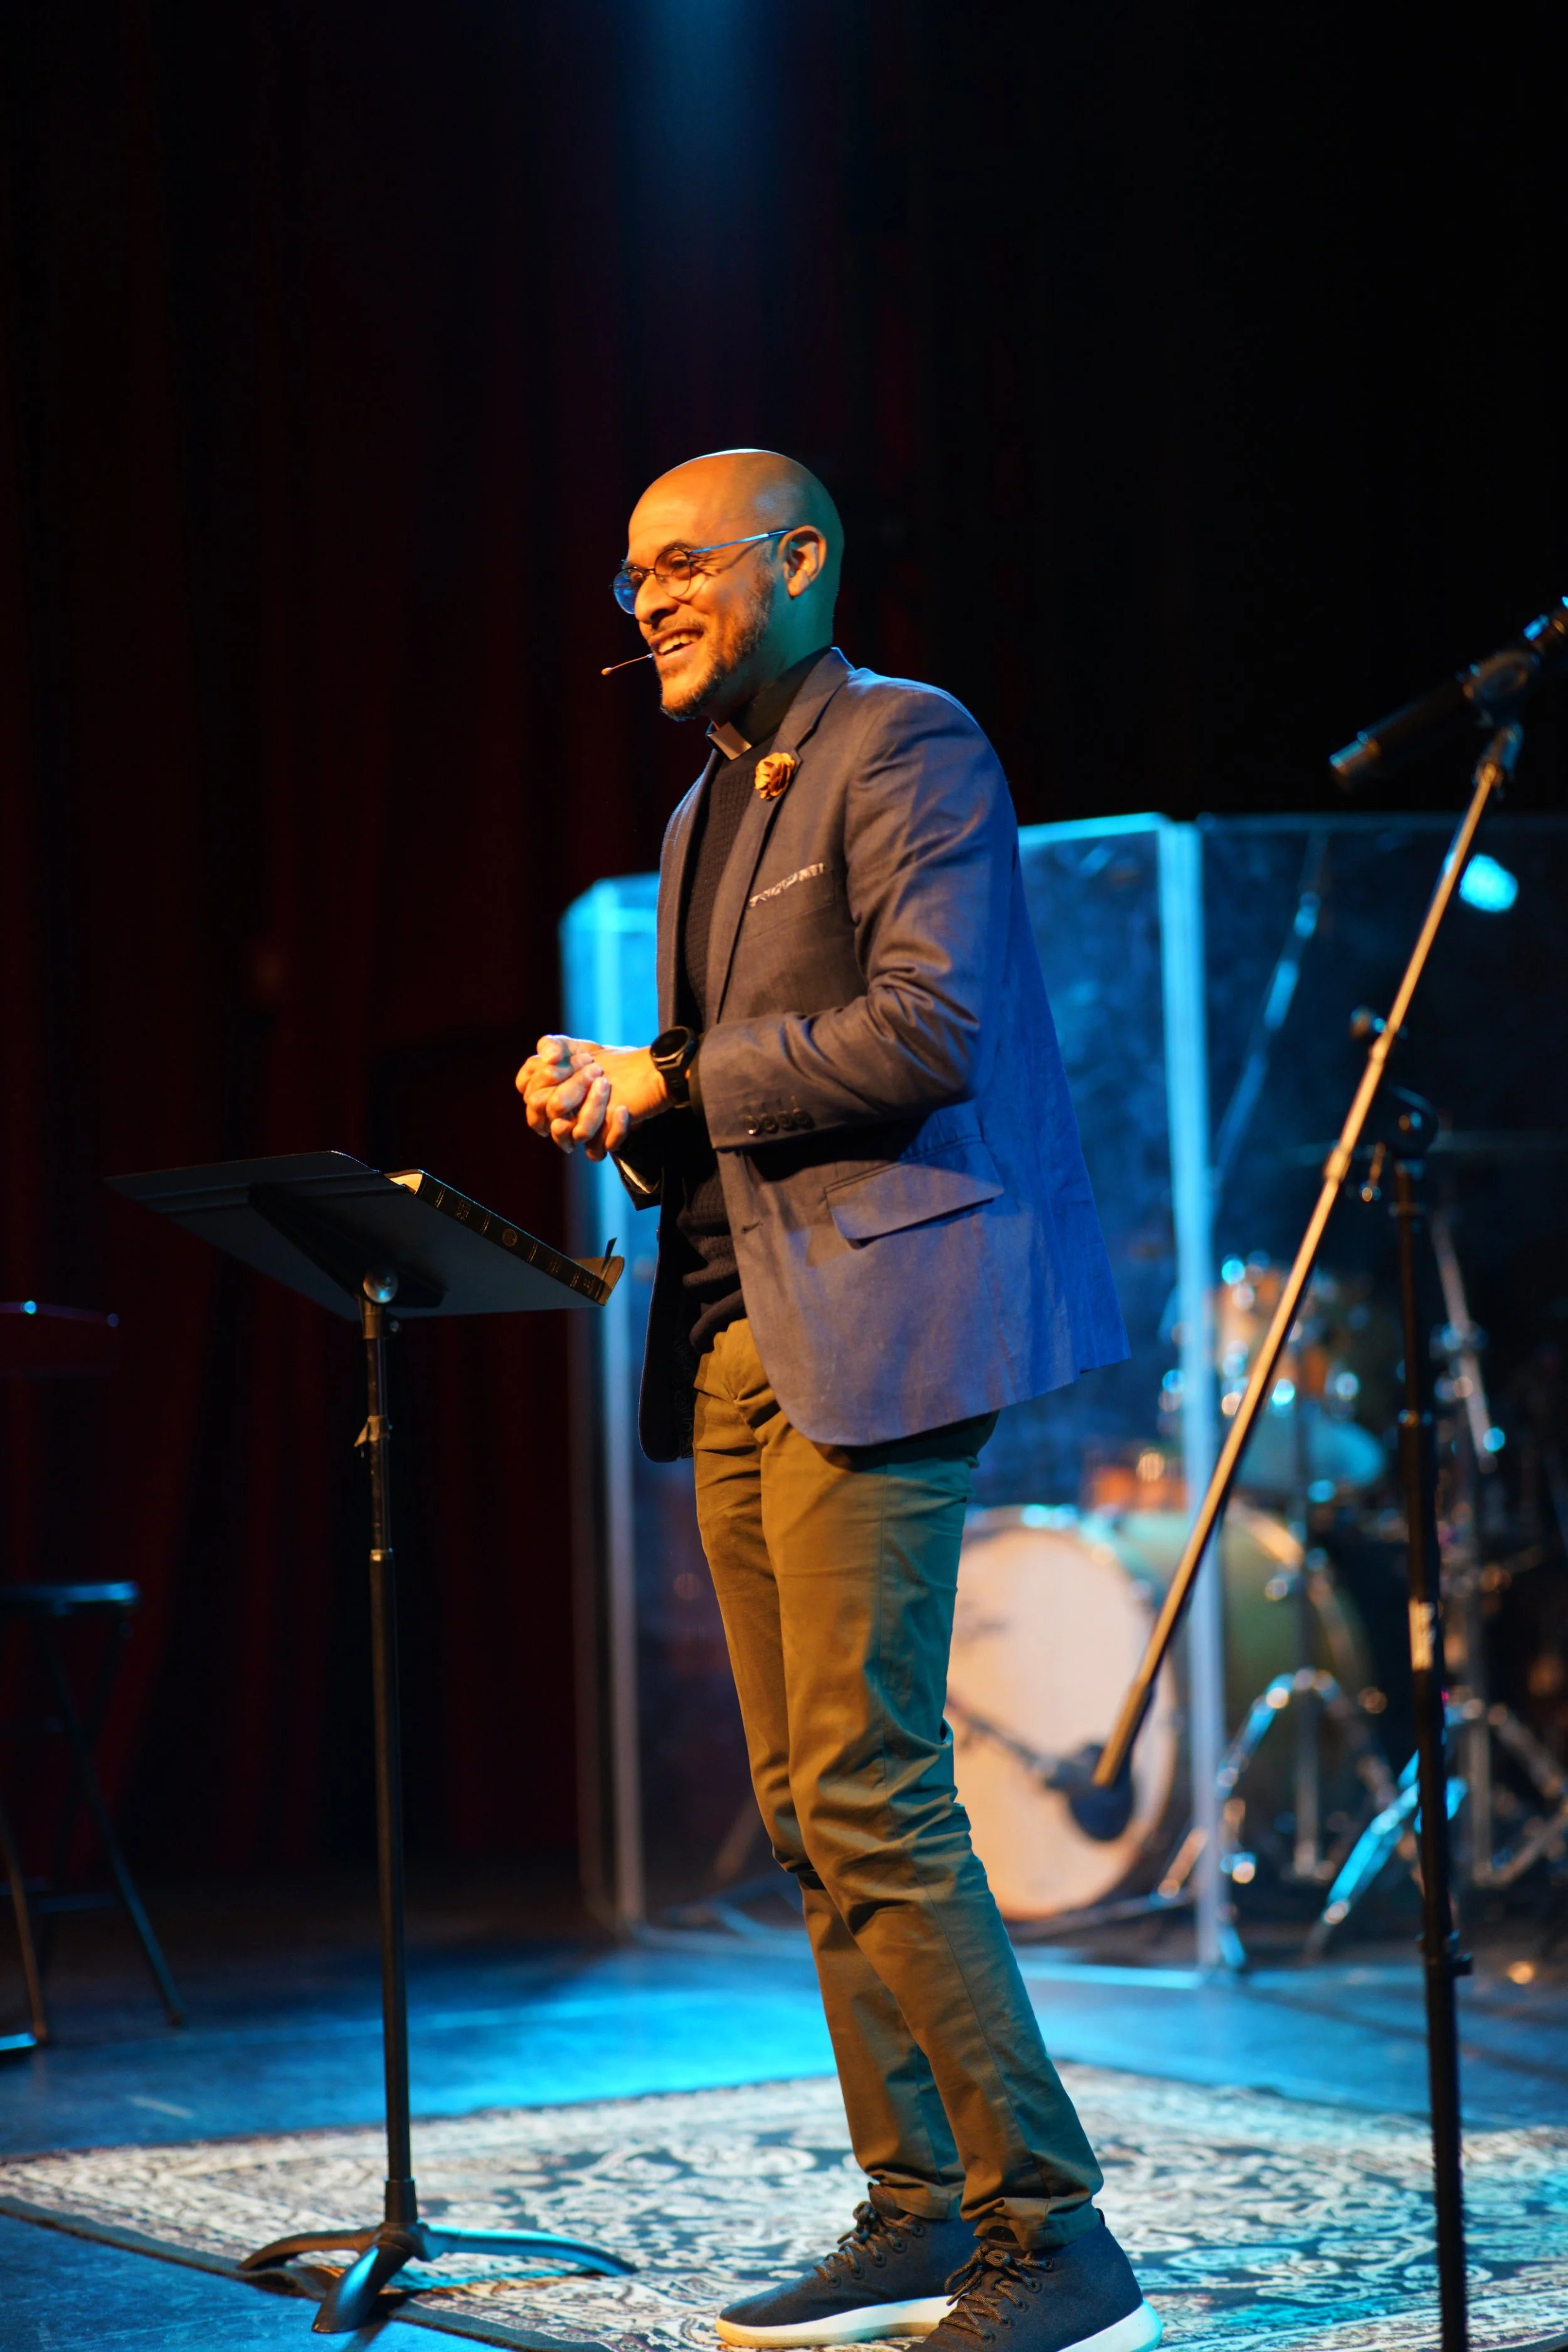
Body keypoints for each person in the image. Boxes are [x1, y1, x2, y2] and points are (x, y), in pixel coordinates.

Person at [516, 450, 1159, 2352]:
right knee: (807, 1800)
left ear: (799, 561)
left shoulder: (908, 742)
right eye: (631, 575)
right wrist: (626, 1097)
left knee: (873, 1782)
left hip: (886, 1319)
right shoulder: (699, 808)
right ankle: (914, 2204)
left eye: (684, 563)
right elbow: (722, 1086)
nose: (650, 599)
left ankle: (1055, 2234)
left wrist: (676, 1079)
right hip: (736, 1336)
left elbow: (932, 1025)